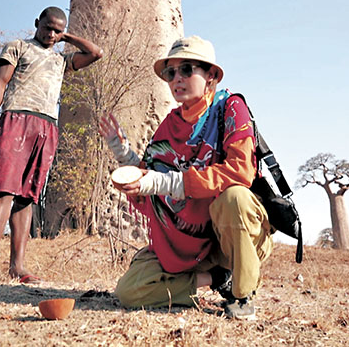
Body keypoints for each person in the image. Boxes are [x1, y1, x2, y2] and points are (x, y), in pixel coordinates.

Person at [99, 35, 272, 320]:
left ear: (211, 76)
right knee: (130, 292)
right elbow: (150, 184)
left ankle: (242, 295)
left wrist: (163, 182)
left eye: (188, 69)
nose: (177, 78)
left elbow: (241, 171)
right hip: (187, 245)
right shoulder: (170, 125)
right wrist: (124, 155)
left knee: (235, 197)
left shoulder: (229, 109)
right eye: (171, 72)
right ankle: (217, 279)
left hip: (231, 235)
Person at [0, 6, 102, 285]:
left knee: (27, 196)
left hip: (47, 126)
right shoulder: (17, 48)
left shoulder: (61, 61)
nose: (51, 33)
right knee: (3, 189)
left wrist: (68, 37)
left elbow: (95, 53)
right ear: (36, 23)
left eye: (57, 30)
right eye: (47, 27)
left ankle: (17, 266)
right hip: (16, 119)